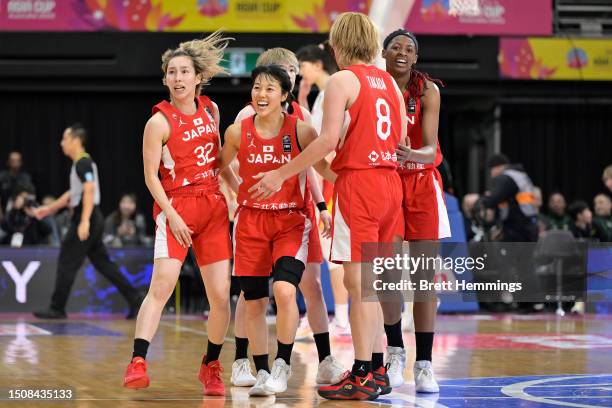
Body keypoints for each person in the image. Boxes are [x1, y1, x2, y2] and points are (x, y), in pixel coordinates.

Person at [251, 12, 407, 400]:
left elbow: (326, 141)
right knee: (369, 286)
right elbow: (401, 138)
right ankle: (375, 370)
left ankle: (362, 372)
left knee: (357, 284)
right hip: (391, 183)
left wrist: (280, 174)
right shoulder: (389, 81)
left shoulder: (342, 79)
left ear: (338, 44)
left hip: (361, 186)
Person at [122, 32, 238, 396]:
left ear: (197, 77)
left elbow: (219, 162)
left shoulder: (211, 110)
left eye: (184, 71)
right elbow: (149, 177)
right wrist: (170, 214)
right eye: (171, 72)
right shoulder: (158, 122)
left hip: (213, 207)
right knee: (161, 287)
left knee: (221, 296)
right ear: (165, 79)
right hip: (177, 207)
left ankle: (211, 365)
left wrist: (237, 190)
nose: (177, 77)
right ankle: (138, 360)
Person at [219, 64, 336, 396]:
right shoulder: (237, 132)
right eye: (257, 87)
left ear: (285, 95)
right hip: (251, 223)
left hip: (290, 222)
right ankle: (262, 370)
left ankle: (282, 364)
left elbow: (324, 169)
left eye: (270, 88)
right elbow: (219, 164)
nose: (261, 94)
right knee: (254, 302)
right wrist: (236, 188)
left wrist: (359, 187)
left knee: (285, 291)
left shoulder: (301, 131)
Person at [381, 28, 451, 393]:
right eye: (396, 46)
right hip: (385, 186)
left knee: (424, 280)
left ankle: (424, 362)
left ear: (416, 57)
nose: (403, 52)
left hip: (422, 183)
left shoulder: (427, 90)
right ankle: (395, 351)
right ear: (383, 52)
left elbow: (430, 147)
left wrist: (410, 154)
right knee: (387, 275)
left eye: (409, 48)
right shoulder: (373, 87)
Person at [32, 124, 142, 319]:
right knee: (104, 264)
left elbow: (89, 190)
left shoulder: (82, 162)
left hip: (87, 217)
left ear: (75, 140)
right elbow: (73, 194)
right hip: (92, 216)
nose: (62, 143)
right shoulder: (81, 163)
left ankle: (57, 308)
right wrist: (48, 209)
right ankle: (136, 299)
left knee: (67, 260)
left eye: (65, 139)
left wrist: (84, 221)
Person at [296, 44, 351, 334]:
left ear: (316, 64)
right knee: (328, 251)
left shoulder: (334, 88)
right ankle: (338, 316)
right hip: (323, 176)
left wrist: (325, 169)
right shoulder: (320, 97)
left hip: (330, 178)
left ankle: (342, 317)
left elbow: (329, 142)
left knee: (335, 251)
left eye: (302, 66)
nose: (301, 72)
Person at [480, 154, 538, 242]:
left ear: (498, 167)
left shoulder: (505, 178)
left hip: (517, 228)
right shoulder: (520, 175)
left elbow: (493, 199)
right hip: (529, 223)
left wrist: (484, 199)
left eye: (491, 170)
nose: (491, 175)